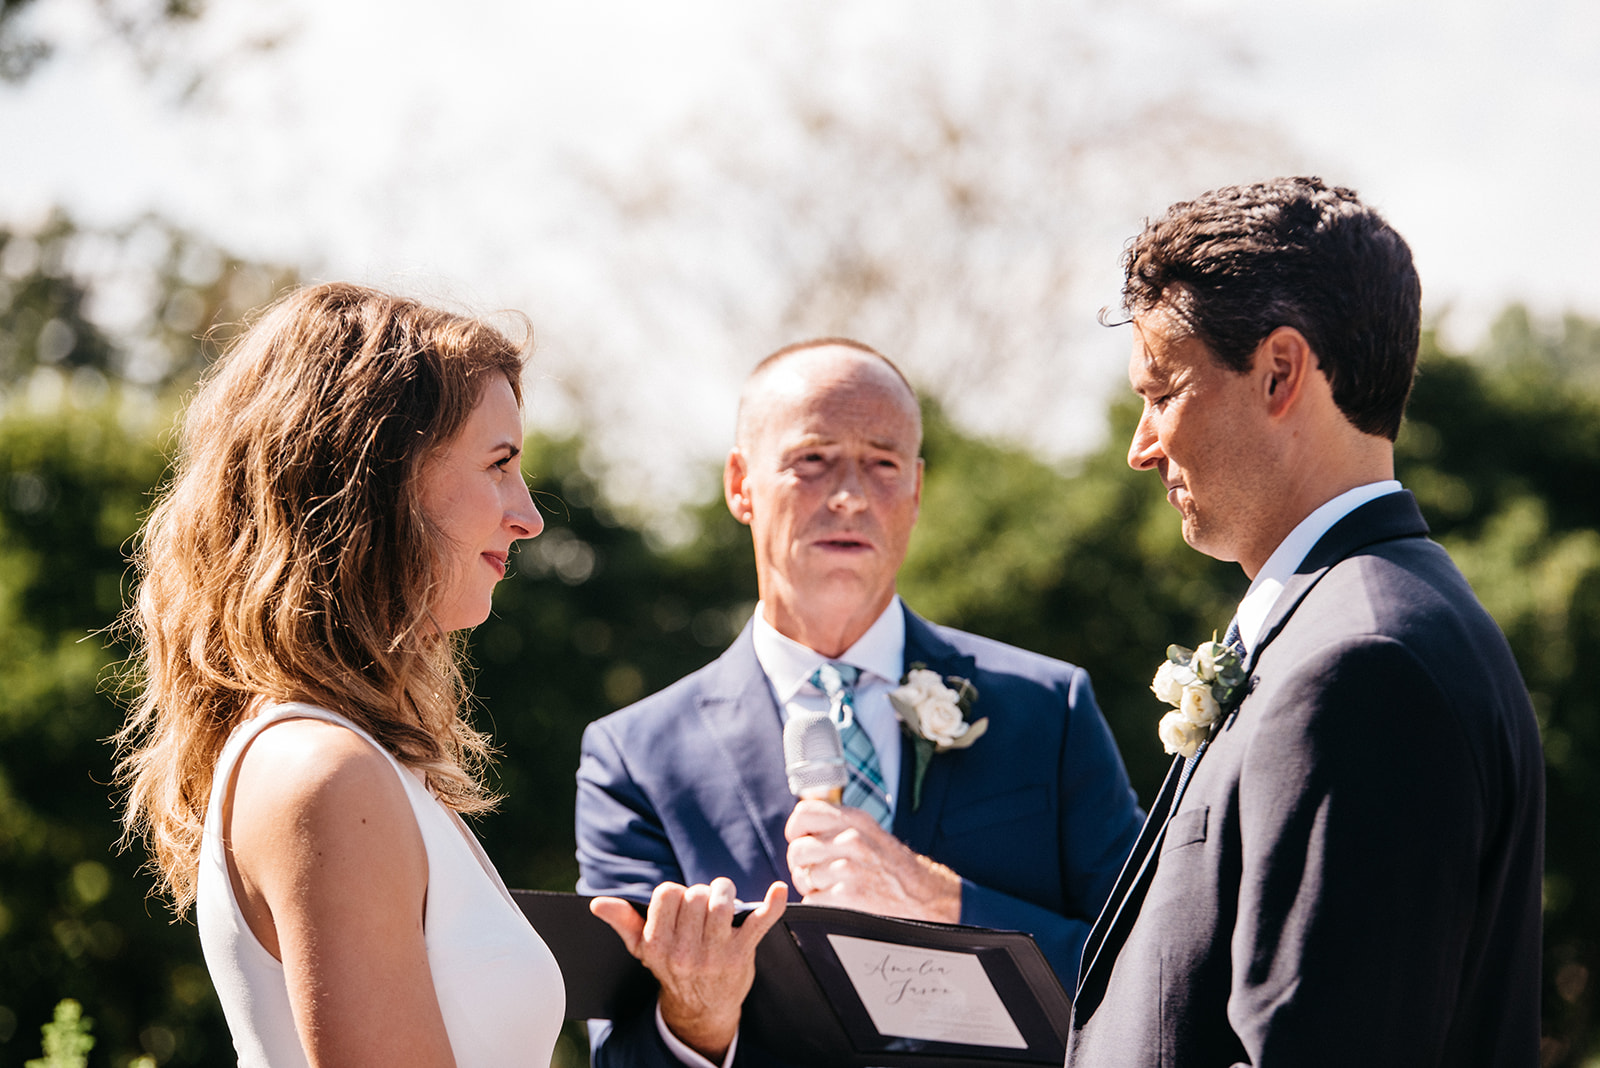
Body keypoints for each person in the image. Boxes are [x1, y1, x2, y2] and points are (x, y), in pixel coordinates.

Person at [1065, 177, 1544, 1067]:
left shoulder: (1364, 665)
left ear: (1281, 371)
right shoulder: (1364, 621)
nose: (1141, 445)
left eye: (1162, 391)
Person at [576, 338, 1144, 1067]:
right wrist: (698, 1018)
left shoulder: (1048, 709)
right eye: (812, 459)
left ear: (915, 491)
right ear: (741, 484)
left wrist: (941, 900)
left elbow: (1152, 965)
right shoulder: (636, 756)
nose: (848, 495)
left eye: (882, 463)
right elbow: (618, 1051)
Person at [114, 282, 563, 1067]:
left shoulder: (361, 763)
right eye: (498, 465)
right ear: (381, 481)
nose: (528, 515)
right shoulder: (325, 772)